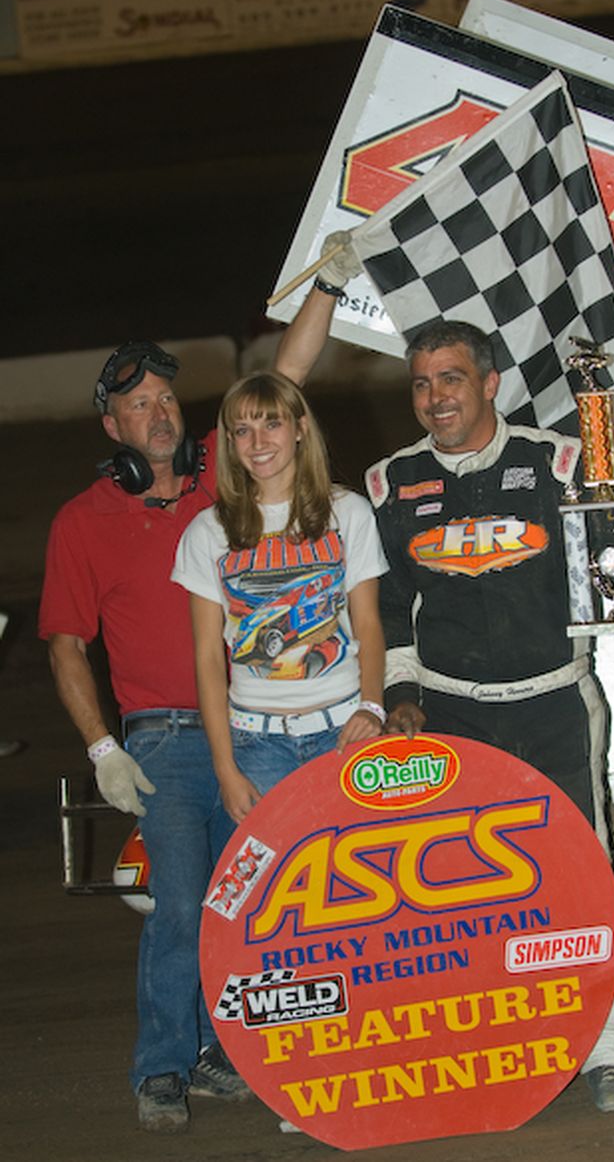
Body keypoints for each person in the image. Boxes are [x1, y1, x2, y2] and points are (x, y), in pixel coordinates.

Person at [36, 263, 351, 1134]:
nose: (160, 413)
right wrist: (102, 748)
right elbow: (66, 645)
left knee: (253, 898)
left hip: (255, 726)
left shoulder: (226, 474)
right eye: (138, 405)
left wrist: (327, 280)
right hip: (164, 741)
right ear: (112, 427)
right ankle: (163, 1066)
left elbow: (286, 378)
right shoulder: (80, 521)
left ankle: (227, 1052)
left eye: (166, 397)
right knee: (181, 899)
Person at [363, 319, 614, 1115]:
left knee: (581, 879)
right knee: (459, 893)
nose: (436, 399)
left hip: (556, 702)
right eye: (423, 383)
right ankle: (490, 1054)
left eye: (452, 379)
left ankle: (609, 1052)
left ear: (490, 382)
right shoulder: (388, 484)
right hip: (450, 717)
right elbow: (390, 611)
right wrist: (401, 696)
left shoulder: (561, 461)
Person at [171, 371, 387, 823]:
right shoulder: (207, 531)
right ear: (230, 442)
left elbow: (368, 624)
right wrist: (226, 767)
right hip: (257, 743)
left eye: (271, 424)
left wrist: (372, 707)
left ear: (300, 429)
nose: (257, 441)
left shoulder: (348, 513)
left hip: (345, 730)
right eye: (242, 430)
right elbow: (209, 657)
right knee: (279, 889)